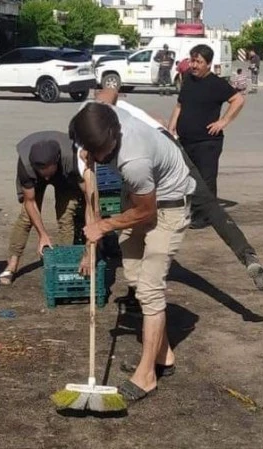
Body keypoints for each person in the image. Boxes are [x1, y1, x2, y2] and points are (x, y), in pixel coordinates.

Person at [87, 89, 263, 291]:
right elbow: (111, 92)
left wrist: (94, 235)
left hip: (151, 154)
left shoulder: (91, 139)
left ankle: (137, 290)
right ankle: (247, 256)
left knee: (131, 214)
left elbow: (91, 200)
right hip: (166, 145)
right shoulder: (108, 117)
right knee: (208, 205)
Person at [70, 101, 196, 402]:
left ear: (113, 137)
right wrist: (88, 153)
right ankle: (163, 358)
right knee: (137, 280)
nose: (93, 155)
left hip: (167, 208)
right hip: (138, 199)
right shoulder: (99, 116)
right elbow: (107, 93)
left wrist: (104, 226)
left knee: (150, 290)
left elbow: (147, 212)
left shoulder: (134, 160)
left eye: (98, 150)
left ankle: (147, 375)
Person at [0, 131, 84, 286]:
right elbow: (30, 202)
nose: (46, 178)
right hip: (34, 179)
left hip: (65, 177)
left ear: (56, 162)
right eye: (41, 173)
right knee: (26, 218)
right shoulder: (26, 166)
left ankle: (65, 264)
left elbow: (88, 188)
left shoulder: (72, 159)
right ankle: (12, 265)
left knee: (66, 217)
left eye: (47, 173)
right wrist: (42, 235)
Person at [168, 44, 245, 200]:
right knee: (188, 178)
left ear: (208, 64)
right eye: (192, 61)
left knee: (205, 179)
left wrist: (223, 121)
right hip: (186, 140)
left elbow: (238, 99)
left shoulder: (216, 84)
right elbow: (180, 104)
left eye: (198, 62)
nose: (194, 65)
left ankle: (204, 215)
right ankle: (193, 210)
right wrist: (172, 125)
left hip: (207, 142)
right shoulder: (188, 79)